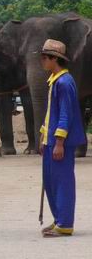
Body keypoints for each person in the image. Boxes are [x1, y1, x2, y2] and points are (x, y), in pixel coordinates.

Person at [39, 39, 86, 238]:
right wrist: (44, 137)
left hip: (61, 143)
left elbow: (66, 114)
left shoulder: (65, 83)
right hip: (50, 141)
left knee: (62, 181)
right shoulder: (55, 80)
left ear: (54, 59)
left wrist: (59, 142)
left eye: (44, 58)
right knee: (50, 181)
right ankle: (59, 218)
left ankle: (65, 223)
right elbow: (52, 113)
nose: (42, 61)